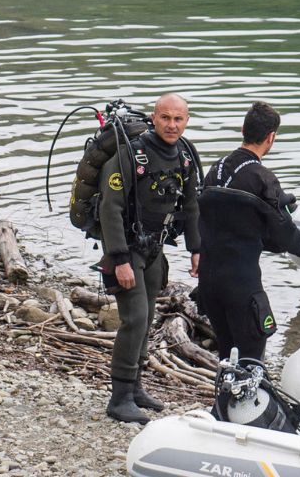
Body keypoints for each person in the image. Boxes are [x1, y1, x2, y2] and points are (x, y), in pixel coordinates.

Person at [100, 93, 201, 425]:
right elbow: (110, 207)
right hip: (126, 249)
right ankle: (120, 398)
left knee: (148, 319)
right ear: (154, 118)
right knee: (135, 319)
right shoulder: (132, 153)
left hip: (154, 248)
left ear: (186, 120)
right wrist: (118, 259)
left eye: (179, 119)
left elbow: (190, 205)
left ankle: (136, 386)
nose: (172, 125)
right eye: (166, 118)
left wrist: (196, 248)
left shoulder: (185, 154)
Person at [194, 102, 300, 368]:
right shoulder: (263, 178)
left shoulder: (217, 168)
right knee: (252, 358)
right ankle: (248, 407)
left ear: (243, 129)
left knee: (226, 356)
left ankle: (222, 407)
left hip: (210, 281)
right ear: (271, 137)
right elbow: (284, 234)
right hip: (241, 283)